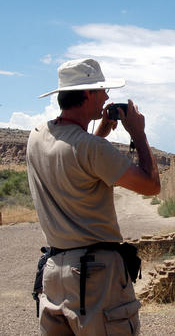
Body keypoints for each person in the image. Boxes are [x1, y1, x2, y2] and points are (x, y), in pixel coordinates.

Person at [27, 58, 160, 335]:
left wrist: (101, 132)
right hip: (96, 274)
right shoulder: (92, 149)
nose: (107, 96)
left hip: (54, 271)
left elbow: (77, 159)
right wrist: (138, 133)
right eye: (102, 90)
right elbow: (150, 185)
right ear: (87, 93)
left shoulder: (37, 137)